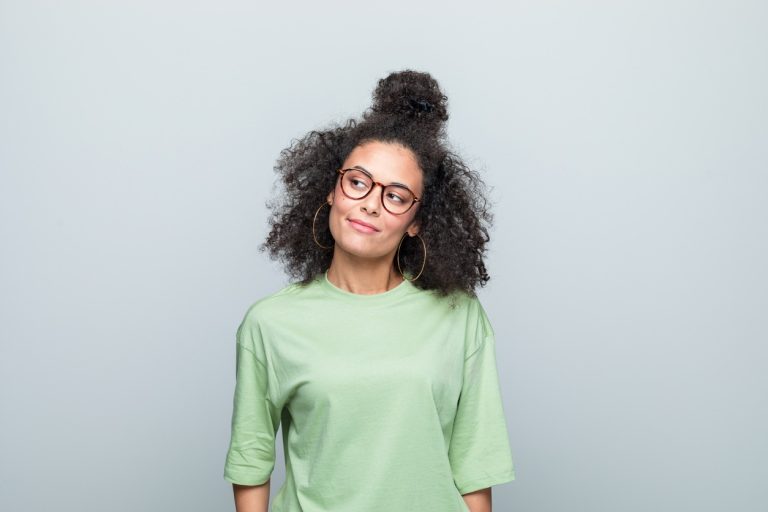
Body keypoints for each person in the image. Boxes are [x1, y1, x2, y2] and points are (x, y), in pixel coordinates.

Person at [223, 69, 515, 512]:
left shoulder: (459, 316)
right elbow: (251, 464)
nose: (369, 203)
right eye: (358, 182)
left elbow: (475, 467)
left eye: (396, 196)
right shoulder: (270, 323)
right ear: (331, 191)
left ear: (416, 221)